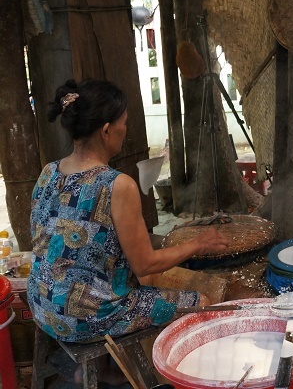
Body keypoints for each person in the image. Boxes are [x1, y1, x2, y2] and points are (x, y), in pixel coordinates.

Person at [28, 79, 230, 352]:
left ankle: (107, 372)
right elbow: (145, 263)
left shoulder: (49, 171)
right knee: (201, 302)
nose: (126, 129)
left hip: (42, 304)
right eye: (123, 122)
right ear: (107, 130)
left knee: (126, 282)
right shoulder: (116, 184)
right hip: (81, 319)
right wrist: (199, 243)